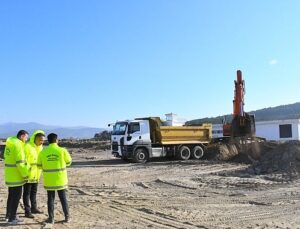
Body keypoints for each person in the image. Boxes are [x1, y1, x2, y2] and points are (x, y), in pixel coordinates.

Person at [38, 133, 72, 224]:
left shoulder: (43, 152)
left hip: (49, 180)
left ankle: (51, 218)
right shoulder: (62, 150)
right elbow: (69, 162)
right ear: (56, 140)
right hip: (61, 179)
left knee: (50, 199)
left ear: (48, 141)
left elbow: (39, 165)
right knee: (63, 198)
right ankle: (67, 217)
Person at [4, 130, 29, 225]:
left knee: (11, 196)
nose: (26, 140)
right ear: (22, 136)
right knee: (16, 197)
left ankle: (8, 215)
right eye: (26, 137)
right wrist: (25, 175)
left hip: (10, 175)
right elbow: (20, 163)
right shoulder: (18, 145)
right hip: (16, 176)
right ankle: (12, 218)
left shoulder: (10, 143)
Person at [23, 130, 45, 218]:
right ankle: (27, 211)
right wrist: (25, 173)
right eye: (40, 140)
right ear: (35, 139)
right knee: (27, 193)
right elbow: (23, 161)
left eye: (43, 140)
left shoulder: (41, 148)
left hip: (36, 175)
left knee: (34, 192)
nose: (42, 142)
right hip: (28, 174)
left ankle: (34, 208)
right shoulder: (27, 146)